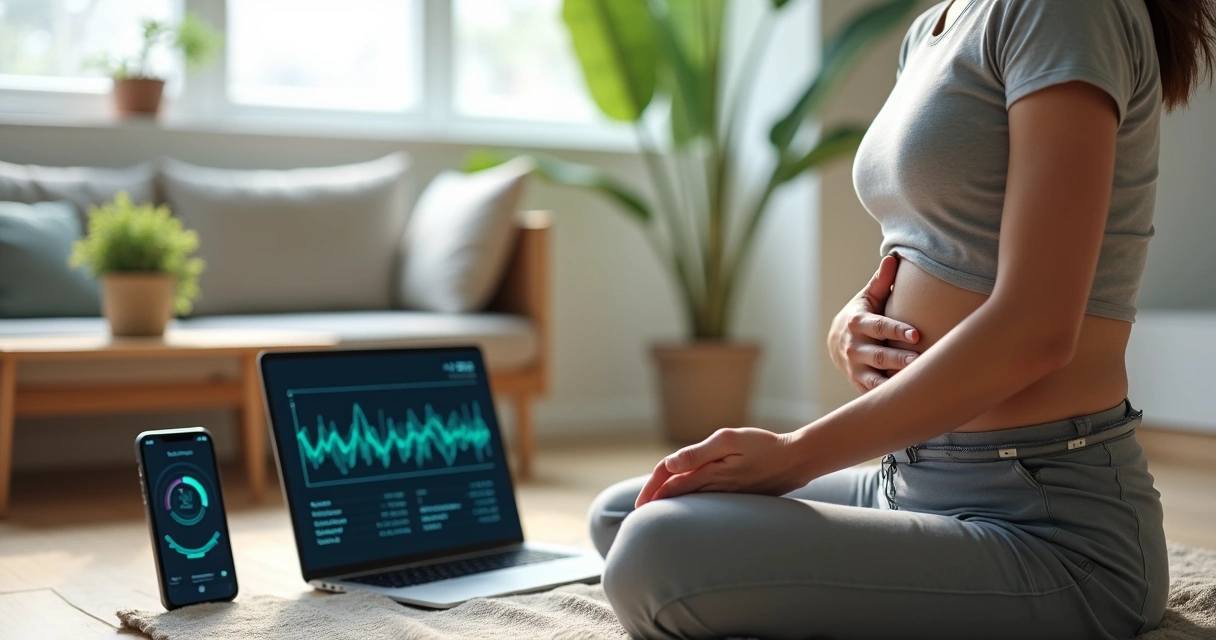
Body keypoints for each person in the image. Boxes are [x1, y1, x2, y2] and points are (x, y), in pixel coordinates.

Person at [587, 1, 1216, 638]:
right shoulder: (932, 27)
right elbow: (929, 242)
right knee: (626, 514)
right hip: (915, 481)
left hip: (1048, 521)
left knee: (656, 553)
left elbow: (1038, 330)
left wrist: (795, 455)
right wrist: (851, 326)